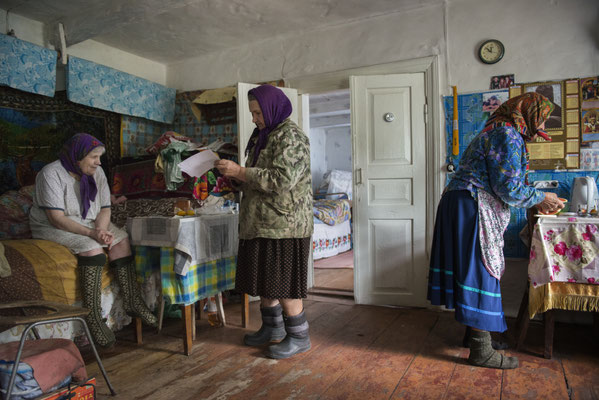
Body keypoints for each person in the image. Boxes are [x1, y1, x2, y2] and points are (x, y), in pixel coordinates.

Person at [428, 92, 564, 369]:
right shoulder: (507, 134)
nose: (543, 127)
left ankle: (474, 335)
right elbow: (509, 188)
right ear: (529, 112)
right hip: (471, 204)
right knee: (482, 268)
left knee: (471, 268)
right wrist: (541, 198)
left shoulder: (496, 130)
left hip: (461, 202)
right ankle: (480, 350)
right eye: (543, 119)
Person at [29, 133, 157, 347]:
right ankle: (93, 317)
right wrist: (93, 235)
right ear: (77, 156)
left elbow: (105, 207)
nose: (99, 162)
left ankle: (133, 300)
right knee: (92, 248)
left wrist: (101, 229)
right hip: (53, 225)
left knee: (121, 240)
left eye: (99, 157)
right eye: (94, 157)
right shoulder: (50, 174)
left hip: (90, 222)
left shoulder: (97, 173)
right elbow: (56, 218)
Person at [214, 84, 313, 359]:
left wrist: (241, 171)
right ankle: (273, 329)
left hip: (284, 225)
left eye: (258, 112)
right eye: (252, 113)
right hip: (260, 222)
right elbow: (258, 178)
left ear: (272, 108)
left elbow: (282, 180)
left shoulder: (290, 137)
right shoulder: (263, 136)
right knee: (266, 281)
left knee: (283, 283)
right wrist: (236, 178)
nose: (255, 119)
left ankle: (299, 336)